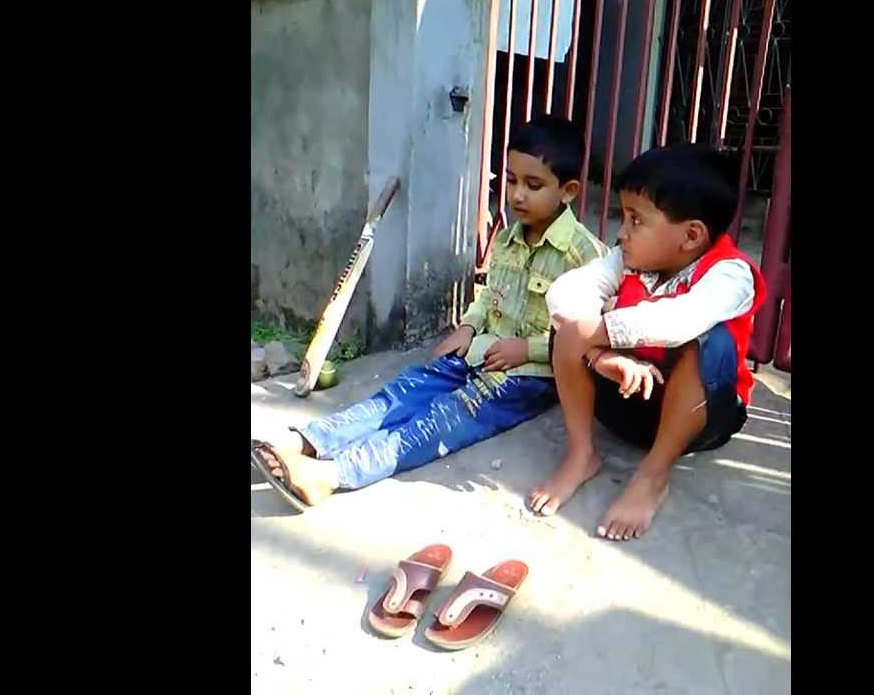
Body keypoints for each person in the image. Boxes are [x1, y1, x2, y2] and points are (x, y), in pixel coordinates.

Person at [252, 115, 608, 508]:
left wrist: (527, 349)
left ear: (569, 190)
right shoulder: (508, 237)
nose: (517, 195)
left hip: (527, 379)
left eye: (533, 185)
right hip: (478, 353)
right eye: (510, 180)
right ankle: (305, 441)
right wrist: (469, 328)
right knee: (399, 395)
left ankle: (331, 475)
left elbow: (591, 334)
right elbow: (489, 294)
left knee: (439, 421)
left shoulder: (586, 257)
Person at [530, 144, 767, 540]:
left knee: (710, 341)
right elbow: (564, 292)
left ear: (691, 235)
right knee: (568, 324)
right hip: (628, 398)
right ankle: (581, 454)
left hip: (699, 421)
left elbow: (681, 320)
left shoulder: (731, 275)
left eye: (636, 220)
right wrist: (598, 353)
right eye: (624, 217)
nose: (621, 233)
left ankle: (653, 476)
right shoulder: (627, 258)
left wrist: (600, 331)